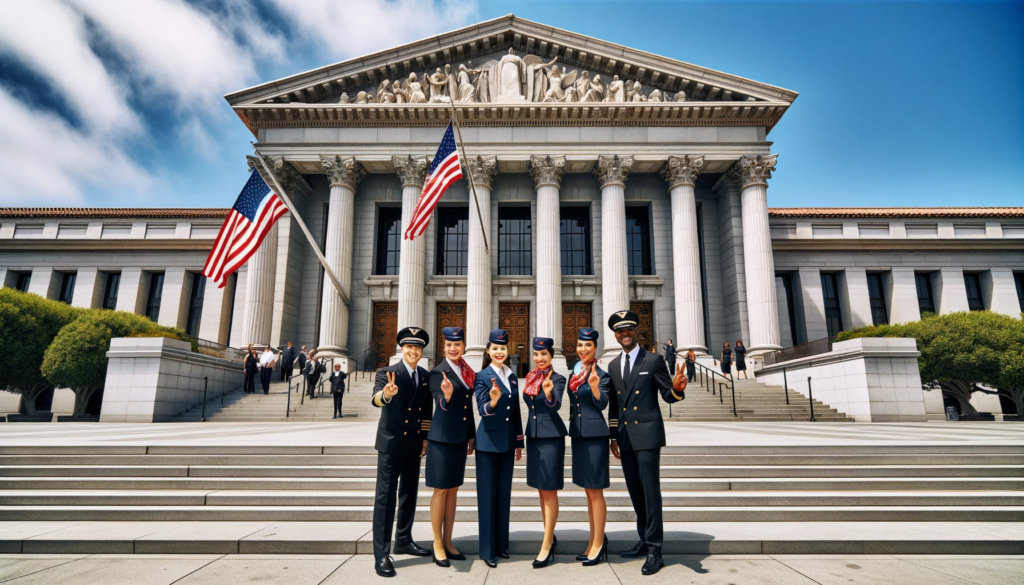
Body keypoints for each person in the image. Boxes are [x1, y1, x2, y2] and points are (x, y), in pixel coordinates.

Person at [607, 310, 687, 576]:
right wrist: (613, 436)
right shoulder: (614, 365)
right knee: (635, 491)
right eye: (620, 331)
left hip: (648, 436)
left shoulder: (653, 360)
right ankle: (643, 539)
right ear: (615, 335)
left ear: (636, 331)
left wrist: (677, 388)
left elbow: (667, 394)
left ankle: (655, 550)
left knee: (650, 493)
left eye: (629, 330)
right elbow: (616, 405)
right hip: (627, 438)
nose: (625, 334)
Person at [370, 327, 433, 577]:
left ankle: (404, 539)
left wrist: (425, 438)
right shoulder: (387, 373)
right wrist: (386, 394)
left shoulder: (425, 376)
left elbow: (427, 410)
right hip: (391, 443)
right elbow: (375, 399)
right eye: (409, 347)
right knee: (385, 498)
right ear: (402, 349)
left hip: (413, 444)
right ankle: (381, 553)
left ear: (421, 351)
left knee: (409, 494)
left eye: (417, 348)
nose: (413, 351)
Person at [425, 327, 476, 567]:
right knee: (441, 490)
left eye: (457, 345)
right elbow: (438, 398)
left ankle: (448, 541)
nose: (453, 348)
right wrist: (445, 398)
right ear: (443, 347)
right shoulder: (438, 372)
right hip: (442, 439)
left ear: (464, 346)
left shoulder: (466, 372)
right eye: (448, 345)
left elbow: (468, 407)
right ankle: (437, 543)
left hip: (459, 438)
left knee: (453, 490)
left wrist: (471, 435)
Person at [474, 329, 524, 568]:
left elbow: (515, 412)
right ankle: (487, 551)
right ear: (488, 351)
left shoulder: (512, 376)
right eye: (495, 348)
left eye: (503, 348)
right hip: (487, 443)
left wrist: (518, 442)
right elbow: (482, 408)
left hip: (506, 443)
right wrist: (493, 400)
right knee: (487, 497)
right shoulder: (482, 376)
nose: (499, 352)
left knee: (503, 496)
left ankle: (501, 545)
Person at [567, 328, 612, 566]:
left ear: (596, 348)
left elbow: (603, 403)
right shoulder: (576, 372)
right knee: (588, 491)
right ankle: (593, 540)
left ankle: (598, 543)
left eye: (588, 346)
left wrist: (594, 387)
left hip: (595, 436)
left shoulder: (601, 375)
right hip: (579, 435)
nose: (583, 349)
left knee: (596, 491)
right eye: (580, 345)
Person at [522, 337, 566, 568]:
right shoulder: (530, 377)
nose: (539, 358)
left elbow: (556, 404)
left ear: (551, 356)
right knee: (541, 490)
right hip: (535, 437)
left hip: (551, 438)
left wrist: (549, 394)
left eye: (544, 355)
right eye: (536, 354)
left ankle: (547, 543)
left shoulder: (557, 378)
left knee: (549, 491)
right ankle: (551, 533)